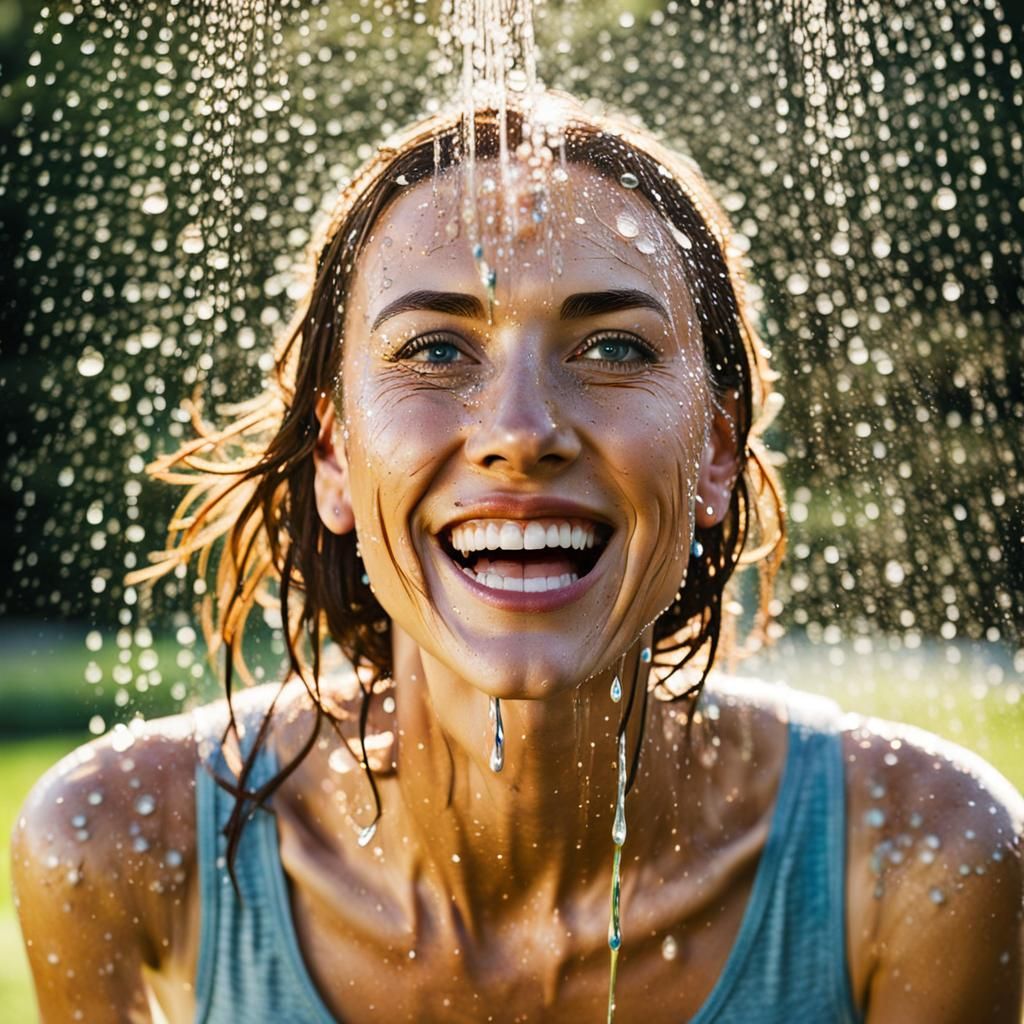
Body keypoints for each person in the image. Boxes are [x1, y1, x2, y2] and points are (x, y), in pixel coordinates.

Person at [12, 95, 1023, 1023]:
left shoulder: (918, 857)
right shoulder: (120, 848)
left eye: (615, 348)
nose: (521, 430)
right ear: (333, 453)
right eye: (436, 350)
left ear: (715, 452)